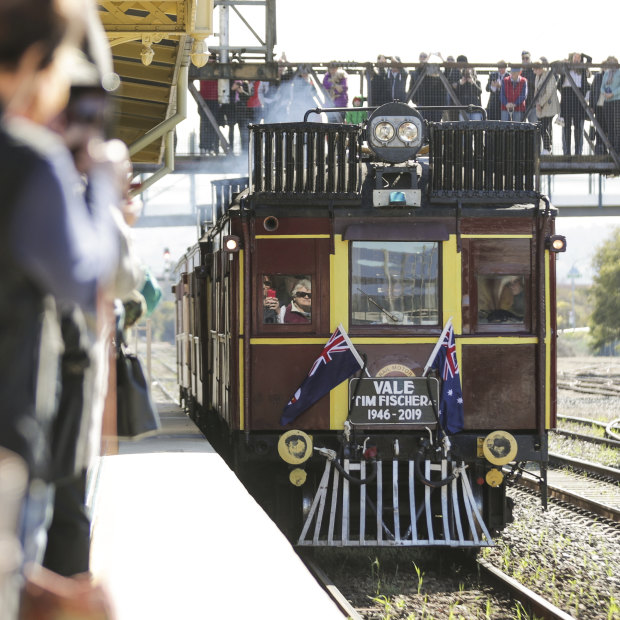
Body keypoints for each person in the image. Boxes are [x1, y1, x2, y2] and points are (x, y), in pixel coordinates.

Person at [558, 52, 590, 155]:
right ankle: (566, 152)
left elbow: (589, 59)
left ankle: (578, 152)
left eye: (579, 58)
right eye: (575, 57)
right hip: (567, 97)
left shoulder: (582, 70)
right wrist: (565, 62)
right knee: (566, 127)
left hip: (578, 98)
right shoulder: (566, 68)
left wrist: (582, 55)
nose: (577, 59)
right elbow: (558, 82)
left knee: (578, 127)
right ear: (571, 58)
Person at [533, 59, 560, 154]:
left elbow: (549, 92)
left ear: (540, 68)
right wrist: (537, 103)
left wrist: (540, 103)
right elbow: (536, 91)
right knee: (542, 127)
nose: (534, 71)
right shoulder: (537, 76)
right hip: (541, 106)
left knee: (543, 127)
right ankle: (547, 148)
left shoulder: (549, 75)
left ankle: (547, 148)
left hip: (549, 106)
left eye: (535, 69)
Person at [197, 54, 220, 155]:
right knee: (208, 124)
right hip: (208, 99)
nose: (211, 61)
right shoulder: (216, 68)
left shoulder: (202, 67)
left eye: (212, 59)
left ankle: (207, 147)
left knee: (207, 124)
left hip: (209, 99)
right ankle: (207, 147)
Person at [600, 56, 620, 155]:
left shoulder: (619, 72)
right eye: (609, 62)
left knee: (617, 126)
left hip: (617, 101)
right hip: (607, 102)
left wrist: (613, 94)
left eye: (611, 62)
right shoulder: (607, 73)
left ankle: (617, 150)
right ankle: (611, 150)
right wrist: (605, 93)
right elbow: (602, 86)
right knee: (610, 127)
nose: (610, 63)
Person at [521, 51, 537, 123]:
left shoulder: (534, 70)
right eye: (523, 58)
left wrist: (525, 80)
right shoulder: (519, 71)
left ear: (530, 59)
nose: (525, 60)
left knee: (534, 126)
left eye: (527, 58)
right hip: (522, 104)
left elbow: (535, 84)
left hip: (533, 103)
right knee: (521, 127)